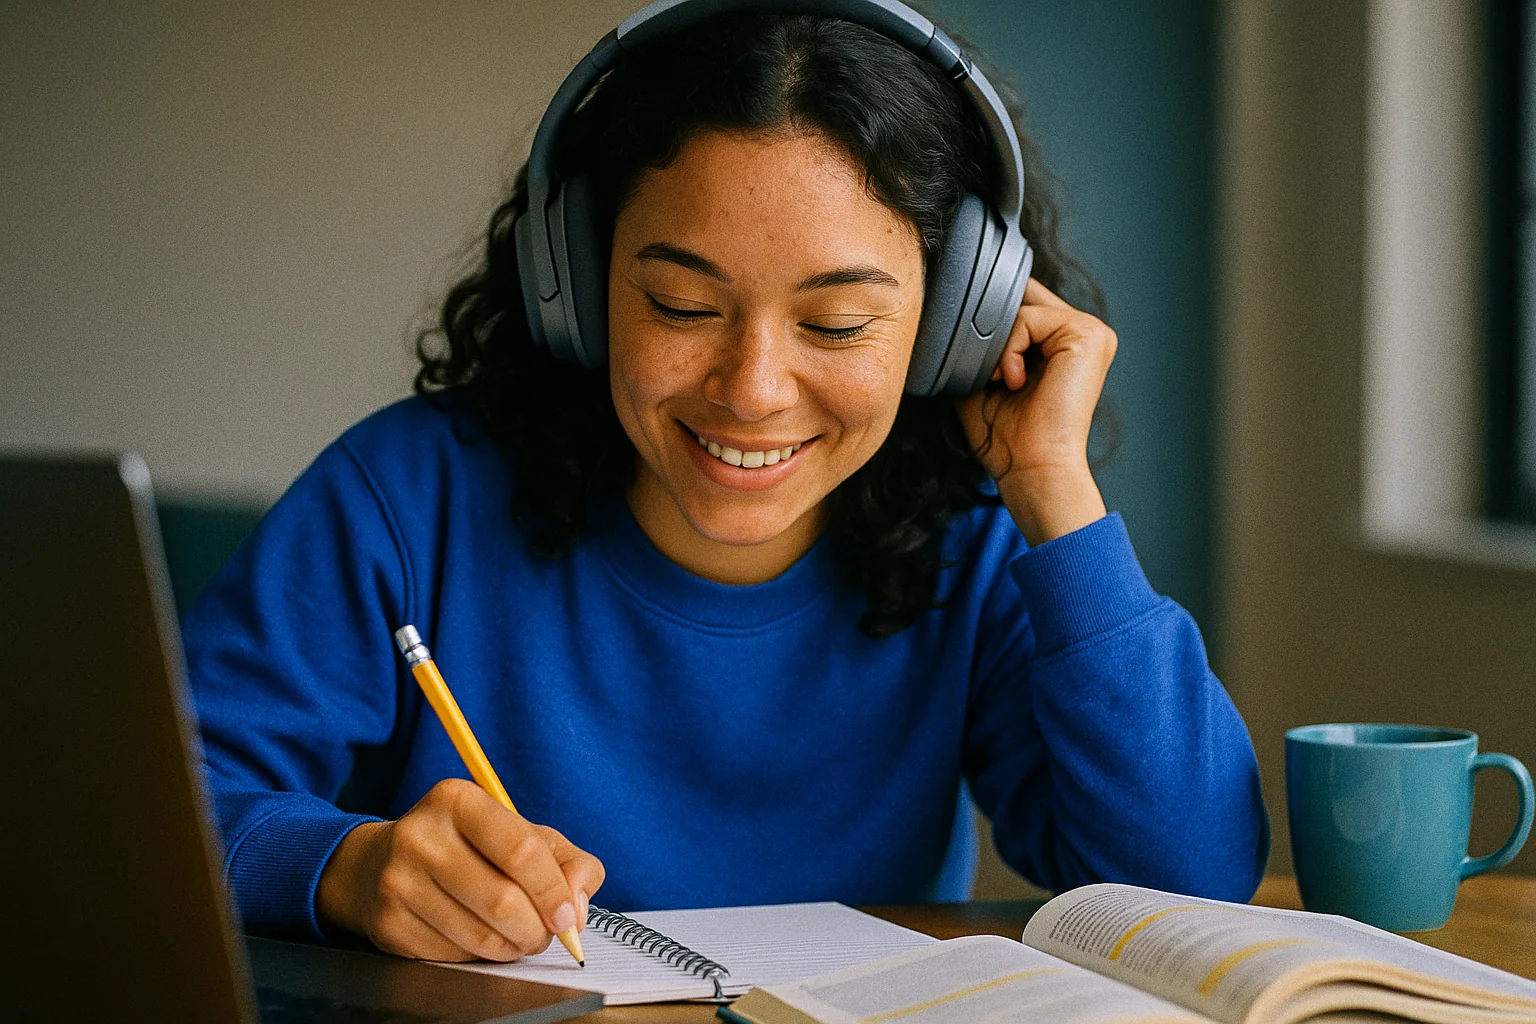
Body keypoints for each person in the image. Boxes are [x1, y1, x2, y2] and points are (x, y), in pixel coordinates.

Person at [181, 7, 1268, 966]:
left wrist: (1054, 491)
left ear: (952, 327)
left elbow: (1190, 888)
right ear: (579, 284)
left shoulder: (977, 543)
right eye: (681, 306)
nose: (750, 392)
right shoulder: (405, 503)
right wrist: (342, 867)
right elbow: (137, 813)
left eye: (835, 324)